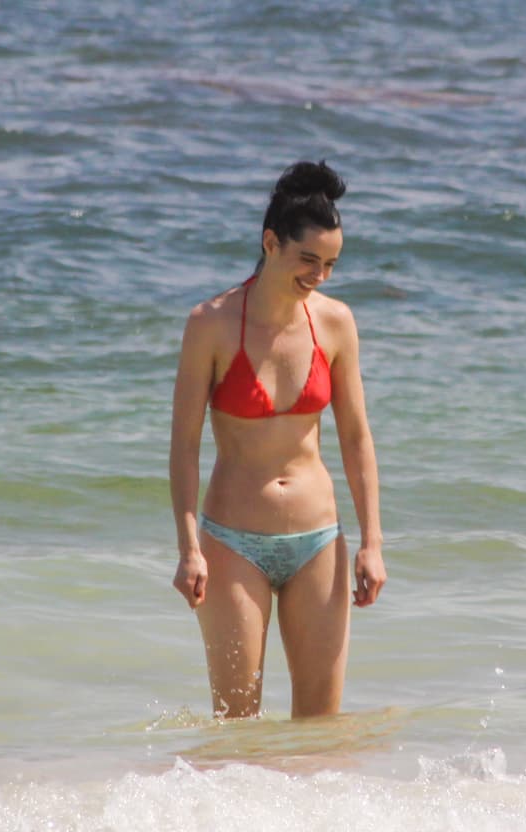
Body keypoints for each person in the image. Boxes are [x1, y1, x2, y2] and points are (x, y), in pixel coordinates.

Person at [169, 159, 385, 719]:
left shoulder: (335, 323)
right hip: (233, 542)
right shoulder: (210, 324)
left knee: (320, 727)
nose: (320, 275)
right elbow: (184, 447)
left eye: (332, 264)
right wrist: (189, 547)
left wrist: (372, 542)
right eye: (308, 259)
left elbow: (357, 439)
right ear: (271, 243)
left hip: (319, 541)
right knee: (236, 726)